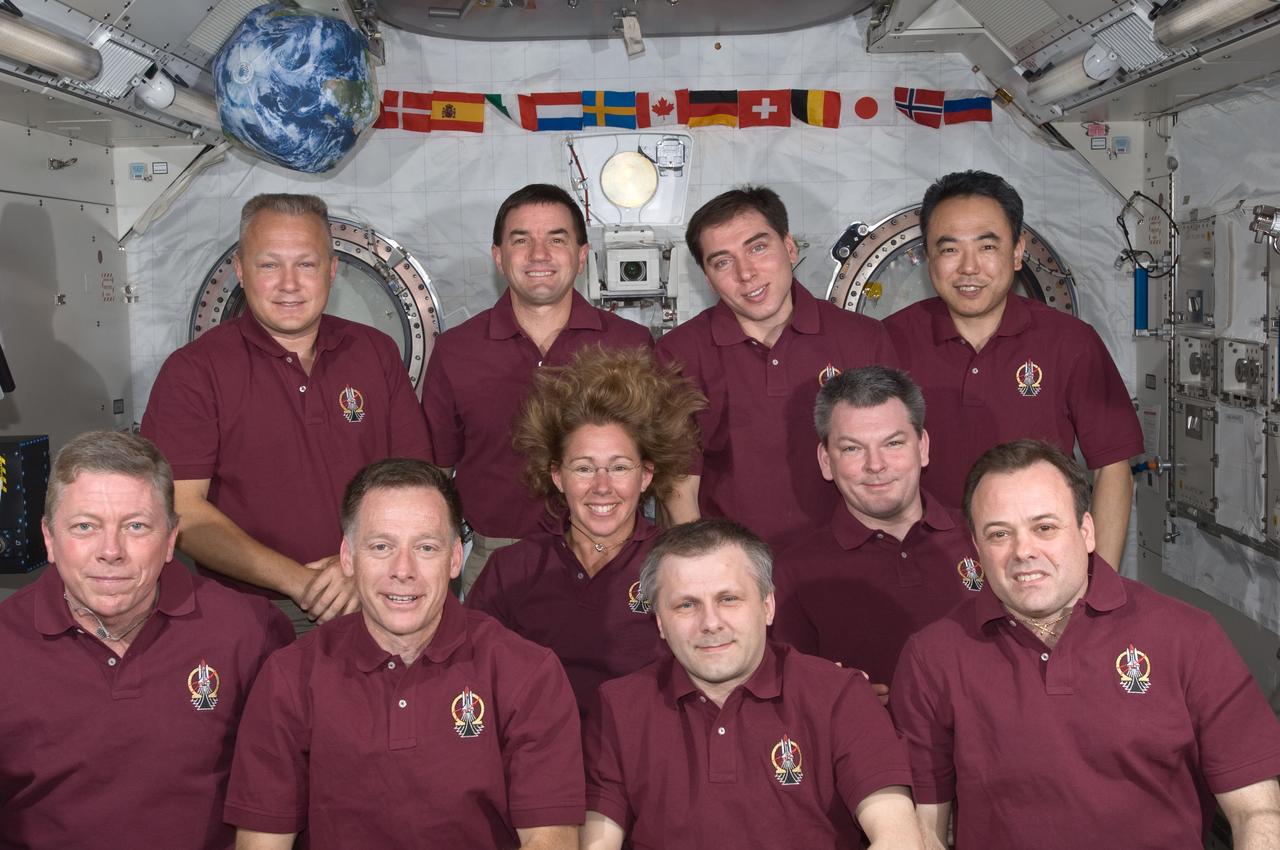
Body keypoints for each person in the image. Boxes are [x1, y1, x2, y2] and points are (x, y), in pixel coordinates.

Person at [891, 439, 1280, 849]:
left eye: (1045, 527)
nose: (1024, 551)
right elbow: (923, 833)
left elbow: (1257, 810)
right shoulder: (931, 657)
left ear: (1087, 530)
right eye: (999, 534)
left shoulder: (1188, 637)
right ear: (976, 549)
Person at [225, 459, 584, 850]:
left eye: (426, 547)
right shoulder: (290, 677)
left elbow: (552, 840)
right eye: (381, 546)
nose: (403, 570)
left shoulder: (528, 673)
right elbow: (261, 844)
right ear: (347, 557)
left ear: (454, 559)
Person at [141, 193, 429, 629]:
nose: (289, 284)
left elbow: (416, 481)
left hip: (373, 597)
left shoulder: (375, 352)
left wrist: (360, 567)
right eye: (269, 265)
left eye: (307, 264)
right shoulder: (194, 372)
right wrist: (299, 581)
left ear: (332, 271)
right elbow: (181, 508)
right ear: (240, 270)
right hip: (250, 614)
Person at [0, 431, 292, 848]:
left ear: (171, 539)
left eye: (136, 526)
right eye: (85, 526)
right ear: (49, 538)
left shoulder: (249, 631)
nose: (111, 551)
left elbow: (284, 792)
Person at [582, 519, 923, 850]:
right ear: (660, 622)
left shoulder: (839, 694)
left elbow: (900, 839)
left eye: (728, 599)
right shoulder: (619, 706)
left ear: (767, 606)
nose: (710, 623)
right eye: (687, 605)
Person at [883, 170, 1143, 567]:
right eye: (950, 249)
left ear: (1018, 251)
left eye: (987, 247)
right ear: (928, 256)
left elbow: (1112, 468)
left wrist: (1098, 585)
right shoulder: (888, 342)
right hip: (922, 567)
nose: (969, 268)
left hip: (1036, 565)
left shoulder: (1070, 342)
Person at [420, 184, 653, 591]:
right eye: (521, 239)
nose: (539, 254)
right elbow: (435, 471)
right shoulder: (456, 351)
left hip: (614, 556)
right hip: (497, 559)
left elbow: (659, 462)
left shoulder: (631, 344)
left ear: (581, 257)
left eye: (556, 239)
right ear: (498, 257)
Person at [655, 186, 899, 550]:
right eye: (722, 262)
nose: (746, 273)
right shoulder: (679, 353)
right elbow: (678, 488)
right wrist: (707, 574)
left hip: (850, 562)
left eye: (758, 247)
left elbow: (895, 465)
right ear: (707, 278)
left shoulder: (863, 339)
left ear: (789, 247)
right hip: (733, 568)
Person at [466, 345, 704, 710]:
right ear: (557, 476)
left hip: (645, 758)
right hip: (540, 755)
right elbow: (476, 680)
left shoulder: (681, 568)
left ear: (647, 475)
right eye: (583, 468)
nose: (602, 486)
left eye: (620, 467)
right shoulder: (511, 571)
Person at [772, 366, 981, 695]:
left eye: (893, 443)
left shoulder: (984, 536)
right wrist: (838, 705)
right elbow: (791, 698)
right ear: (826, 461)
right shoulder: (792, 573)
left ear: (922, 447)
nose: (876, 465)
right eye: (852, 448)